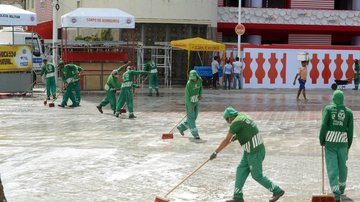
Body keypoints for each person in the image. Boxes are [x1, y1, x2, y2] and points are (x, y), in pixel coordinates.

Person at [209, 107, 285, 202]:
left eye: (226, 119)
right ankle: (238, 197)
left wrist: (215, 152)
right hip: (250, 150)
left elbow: (226, 140)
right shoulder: (243, 116)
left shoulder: (235, 123)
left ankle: (277, 190)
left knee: (257, 175)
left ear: (230, 117)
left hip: (254, 152)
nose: (227, 122)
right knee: (241, 170)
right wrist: (236, 136)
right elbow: (247, 129)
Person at [319, 90, 353, 202]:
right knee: (342, 166)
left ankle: (336, 192)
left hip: (330, 142)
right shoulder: (349, 112)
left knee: (332, 167)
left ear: (333, 98)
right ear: (342, 99)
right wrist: (349, 144)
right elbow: (350, 131)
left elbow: (324, 125)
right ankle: (342, 187)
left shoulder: (328, 109)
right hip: (343, 143)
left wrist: (321, 139)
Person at [177, 70, 203, 139]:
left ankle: (181, 127)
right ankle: (195, 134)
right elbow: (187, 96)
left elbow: (201, 88)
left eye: (194, 78)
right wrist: (190, 105)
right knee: (191, 118)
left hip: (196, 101)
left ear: (196, 76)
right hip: (190, 102)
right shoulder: (189, 84)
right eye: (192, 78)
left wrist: (200, 95)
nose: (193, 79)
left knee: (194, 117)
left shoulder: (200, 80)